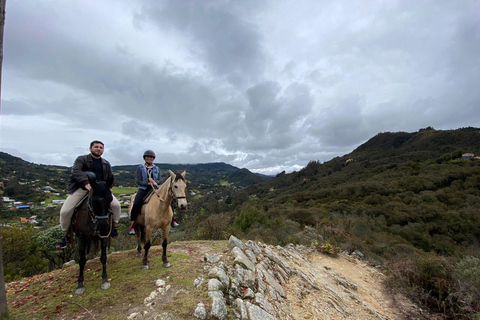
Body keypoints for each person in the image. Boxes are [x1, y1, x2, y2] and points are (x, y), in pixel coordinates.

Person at [56, 141, 121, 249]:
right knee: (65, 211)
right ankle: (66, 236)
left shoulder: (106, 163)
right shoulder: (81, 159)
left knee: (116, 206)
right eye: (96, 147)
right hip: (83, 188)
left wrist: (106, 187)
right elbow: (76, 172)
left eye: (101, 147)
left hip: (100, 190)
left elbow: (110, 177)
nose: (99, 149)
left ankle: (114, 227)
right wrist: (85, 183)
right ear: (90, 148)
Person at [129, 150, 179, 235]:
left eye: (151, 157)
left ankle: (172, 219)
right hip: (144, 188)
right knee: (137, 203)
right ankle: (132, 225)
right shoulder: (140, 168)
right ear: (145, 158)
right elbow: (139, 181)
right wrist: (149, 183)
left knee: (169, 200)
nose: (149, 158)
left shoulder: (156, 168)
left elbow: (159, 179)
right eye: (147, 157)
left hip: (155, 188)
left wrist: (155, 182)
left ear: (153, 158)